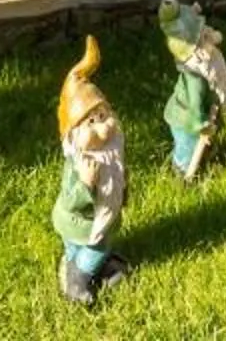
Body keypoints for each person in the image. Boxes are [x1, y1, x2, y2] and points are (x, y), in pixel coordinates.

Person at [51, 35, 129, 305]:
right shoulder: (79, 164)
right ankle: (78, 278)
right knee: (96, 247)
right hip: (81, 224)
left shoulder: (112, 153)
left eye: (105, 116)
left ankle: (98, 268)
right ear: (73, 134)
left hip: (97, 221)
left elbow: (119, 180)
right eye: (91, 122)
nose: (104, 127)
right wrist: (85, 183)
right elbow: (71, 202)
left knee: (78, 250)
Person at [157, 0, 226, 178]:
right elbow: (196, 104)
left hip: (204, 113)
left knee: (202, 146)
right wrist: (201, 125)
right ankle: (181, 174)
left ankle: (206, 161)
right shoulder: (195, 77)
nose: (209, 36)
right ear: (195, 51)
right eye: (203, 37)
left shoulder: (205, 65)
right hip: (187, 121)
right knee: (188, 149)